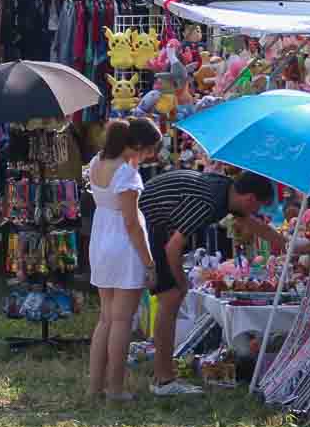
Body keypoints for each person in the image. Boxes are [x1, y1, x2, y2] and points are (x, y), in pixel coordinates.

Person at [138, 167, 281, 397]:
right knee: (171, 298)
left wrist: (293, 244)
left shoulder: (227, 190)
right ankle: (163, 379)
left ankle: (162, 374)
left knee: (171, 298)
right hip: (150, 226)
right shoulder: (209, 203)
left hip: (155, 223)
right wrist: (182, 282)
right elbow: (172, 247)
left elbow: (253, 224)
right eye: (258, 207)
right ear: (250, 199)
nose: (257, 212)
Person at [84, 117, 161, 403]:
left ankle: (95, 386)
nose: (151, 155)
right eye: (150, 149)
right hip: (123, 244)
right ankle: (115, 388)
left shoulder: (96, 162)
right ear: (138, 145)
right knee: (122, 321)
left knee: (106, 318)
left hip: (101, 240)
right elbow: (132, 223)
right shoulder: (127, 175)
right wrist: (150, 262)